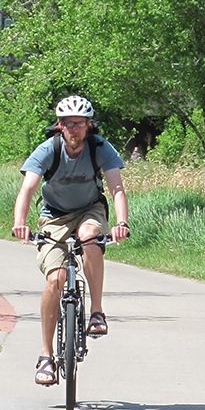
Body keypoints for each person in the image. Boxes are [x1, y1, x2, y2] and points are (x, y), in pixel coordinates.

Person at [12, 95, 130, 386]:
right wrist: (20, 223)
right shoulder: (48, 150)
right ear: (59, 126)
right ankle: (46, 356)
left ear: (89, 125)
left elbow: (116, 188)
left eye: (79, 123)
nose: (74, 129)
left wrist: (121, 223)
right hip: (54, 216)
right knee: (56, 279)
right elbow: (27, 189)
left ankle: (97, 313)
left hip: (90, 209)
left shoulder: (100, 149)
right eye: (68, 123)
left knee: (89, 237)